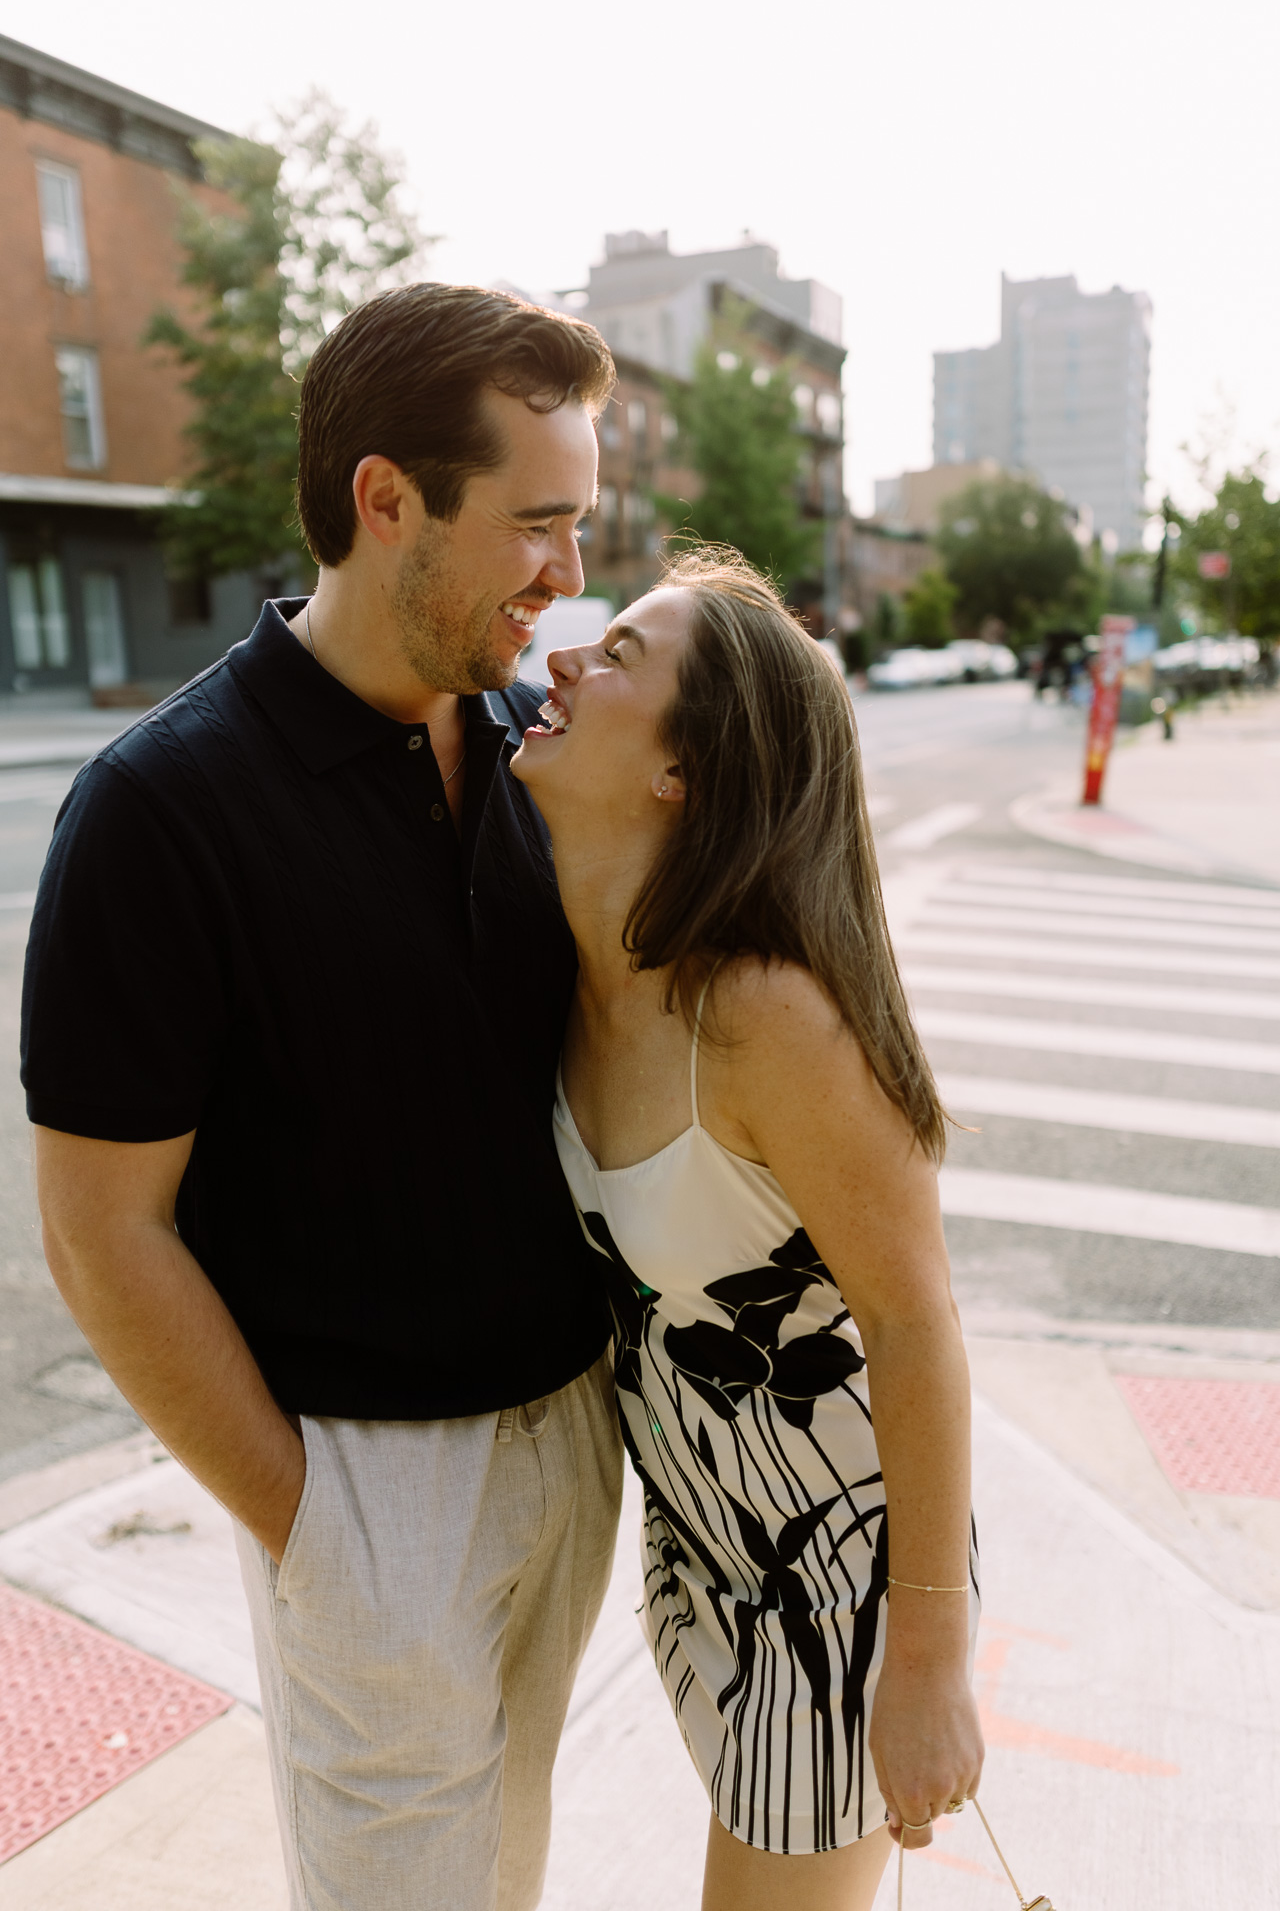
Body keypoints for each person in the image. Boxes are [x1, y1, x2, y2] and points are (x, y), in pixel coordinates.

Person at [22, 284, 625, 1911]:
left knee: (504, 1876)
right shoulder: (159, 809)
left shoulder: (527, 739)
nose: (569, 580)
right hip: (369, 1483)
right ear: (385, 501)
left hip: (569, 1442)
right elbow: (102, 1234)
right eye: (538, 525)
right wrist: (314, 1524)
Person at [511, 549, 983, 1911]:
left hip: (840, 1580)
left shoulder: (765, 1013)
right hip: (701, 1547)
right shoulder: (576, 966)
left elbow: (916, 1322)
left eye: (618, 659)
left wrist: (930, 1660)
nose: (566, 661)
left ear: (683, 773)